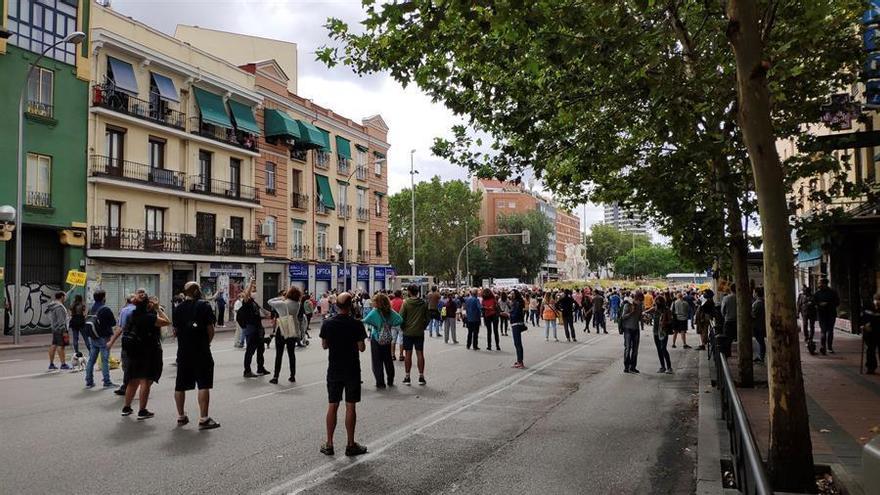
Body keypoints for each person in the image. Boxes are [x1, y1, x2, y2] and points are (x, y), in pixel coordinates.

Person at [319, 292, 368, 457]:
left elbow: (324, 345)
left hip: (334, 368)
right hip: (352, 369)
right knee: (350, 405)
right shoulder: (357, 324)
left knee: (333, 405)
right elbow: (361, 348)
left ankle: (329, 443)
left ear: (336, 306)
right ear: (351, 306)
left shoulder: (327, 323)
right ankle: (350, 444)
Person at [172, 282, 220, 430]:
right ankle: (204, 418)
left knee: (180, 385)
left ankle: (181, 416)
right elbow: (210, 330)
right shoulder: (204, 306)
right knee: (204, 383)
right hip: (201, 350)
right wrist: (207, 343)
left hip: (183, 351)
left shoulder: (178, 309)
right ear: (196, 291)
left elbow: (175, 331)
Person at [121, 294, 170, 419]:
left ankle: (126, 407)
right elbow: (167, 322)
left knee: (133, 380)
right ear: (148, 304)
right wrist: (158, 309)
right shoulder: (149, 317)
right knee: (145, 381)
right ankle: (142, 410)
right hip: (148, 351)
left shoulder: (132, 315)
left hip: (133, 351)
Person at [362, 292, 403, 388]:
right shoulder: (390, 312)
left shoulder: (374, 312)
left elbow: (365, 320)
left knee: (377, 361)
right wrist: (390, 324)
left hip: (376, 338)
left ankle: (380, 382)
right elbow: (400, 320)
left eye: (374, 301)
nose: (373, 303)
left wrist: (376, 325)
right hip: (387, 338)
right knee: (388, 359)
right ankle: (390, 380)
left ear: (378, 303)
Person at [267, 286, 303, 384]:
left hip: (282, 329)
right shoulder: (297, 304)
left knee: (279, 354)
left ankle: (276, 377)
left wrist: (281, 298)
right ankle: (292, 375)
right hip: (292, 330)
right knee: (291, 354)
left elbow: (269, 301)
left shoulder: (282, 304)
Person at [84, 290, 117, 389]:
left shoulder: (91, 308)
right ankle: (107, 381)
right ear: (103, 298)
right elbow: (113, 323)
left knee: (91, 360)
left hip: (93, 337)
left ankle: (89, 381)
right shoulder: (105, 309)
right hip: (104, 338)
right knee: (104, 360)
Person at [238, 280, 269, 378]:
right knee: (250, 351)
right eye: (253, 289)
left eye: (255, 289)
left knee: (261, 349)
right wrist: (251, 283)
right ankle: (247, 371)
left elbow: (259, 314)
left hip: (258, 328)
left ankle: (260, 368)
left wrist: (268, 315)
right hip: (251, 329)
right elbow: (247, 294)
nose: (255, 291)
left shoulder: (254, 302)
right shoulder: (246, 301)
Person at [399, 284, 429, 385]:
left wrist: (403, 327)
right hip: (419, 332)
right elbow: (427, 318)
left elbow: (401, 317)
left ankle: (407, 377)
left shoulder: (406, 303)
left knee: (408, 354)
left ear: (409, 291)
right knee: (420, 353)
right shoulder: (423, 303)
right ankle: (421, 376)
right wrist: (423, 326)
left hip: (408, 332)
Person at [813, 278, 840, 355]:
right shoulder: (817, 293)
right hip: (822, 315)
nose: (819, 285)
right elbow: (814, 302)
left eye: (820, 283)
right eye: (819, 283)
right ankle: (823, 346)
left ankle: (829, 347)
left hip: (831, 314)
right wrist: (818, 305)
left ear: (825, 284)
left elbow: (837, 302)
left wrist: (827, 304)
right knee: (823, 331)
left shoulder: (833, 293)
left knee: (830, 331)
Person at [45, 292, 70, 370]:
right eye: (65, 296)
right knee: (61, 346)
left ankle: (51, 364)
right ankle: (63, 364)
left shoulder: (53, 305)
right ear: (62, 297)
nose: (66, 298)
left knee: (54, 345)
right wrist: (64, 330)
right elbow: (61, 320)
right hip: (60, 329)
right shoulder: (59, 307)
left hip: (55, 328)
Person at [649, 294, 673, 373]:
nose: (656, 303)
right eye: (656, 302)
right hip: (655, 331)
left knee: (663, 348)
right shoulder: (655, 309)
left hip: (663, 331)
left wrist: (664, 322)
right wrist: (644, 314)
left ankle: (669, 367)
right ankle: (662, 366)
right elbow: (646, 312)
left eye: (658, 302)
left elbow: (670, 321)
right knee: (659, 349)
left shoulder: (666, 310)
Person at [621, 291, 642, 373]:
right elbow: (623, 317)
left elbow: (639, 317)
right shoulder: (628, 305)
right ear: (635, 299)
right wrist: (631, 313)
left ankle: (633, 366)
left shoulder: (640, 306)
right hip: (628, 329)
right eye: (639, 300)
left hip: (636, 329)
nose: (640, 302)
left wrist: (643, 318)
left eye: (641, 301)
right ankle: (626, 367)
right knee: (628, 348)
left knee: (635, 349)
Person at [861, 293, 880, 375]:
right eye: (877, 300)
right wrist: (864, 325)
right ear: (874, 300)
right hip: (870, 333)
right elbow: (862, 318)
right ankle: (870, 367)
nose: (878, 302)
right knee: (870, 350)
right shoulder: (867, 307)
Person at [509, 289, 527, 368]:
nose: (511, 295)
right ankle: (519, 360)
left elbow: (515, 314)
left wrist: (507, 315)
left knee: (517, 343)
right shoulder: (517, 302)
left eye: (512, 293)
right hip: (518, 323)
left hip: (516, 324)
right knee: (517, 343)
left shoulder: (516, 303)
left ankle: (520, 362)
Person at [797, 286, 817, 353]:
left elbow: (816, 304)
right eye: (804, 292)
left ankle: (811, 337)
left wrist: (811, 303)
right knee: (805, 325)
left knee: (812, 326)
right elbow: (799, 305)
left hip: (812, 313)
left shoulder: (813, 296)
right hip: (804, 313)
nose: (805, 293)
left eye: (806, 292)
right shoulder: (801, 296)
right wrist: (797, 313)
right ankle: (806, 337)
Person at [720, 284, 738, 356]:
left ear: (731, 289)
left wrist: (725, 316)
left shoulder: (726, 298)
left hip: (729, 320)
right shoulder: (743, 297)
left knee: (727, 339)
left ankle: (727, 354)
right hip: (739, 321)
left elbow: (722, 310)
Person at [751, 287, 766, 363]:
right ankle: (760, 356)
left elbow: (753, 315)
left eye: (754, 292)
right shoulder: (763, 302)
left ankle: (761, 357)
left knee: (760, 341)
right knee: (761, 341)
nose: (753, 294)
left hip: (758, 326)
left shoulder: (757, 303)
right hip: (761, 325)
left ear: (756, 293)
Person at [390, 290, 405, 360]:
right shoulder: (403, 302)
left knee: (393, 339)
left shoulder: (391, 302)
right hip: (401, 322)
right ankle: (401, 355)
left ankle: (392, 355)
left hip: (393, 322)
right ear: (400, 295)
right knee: (401, 339)